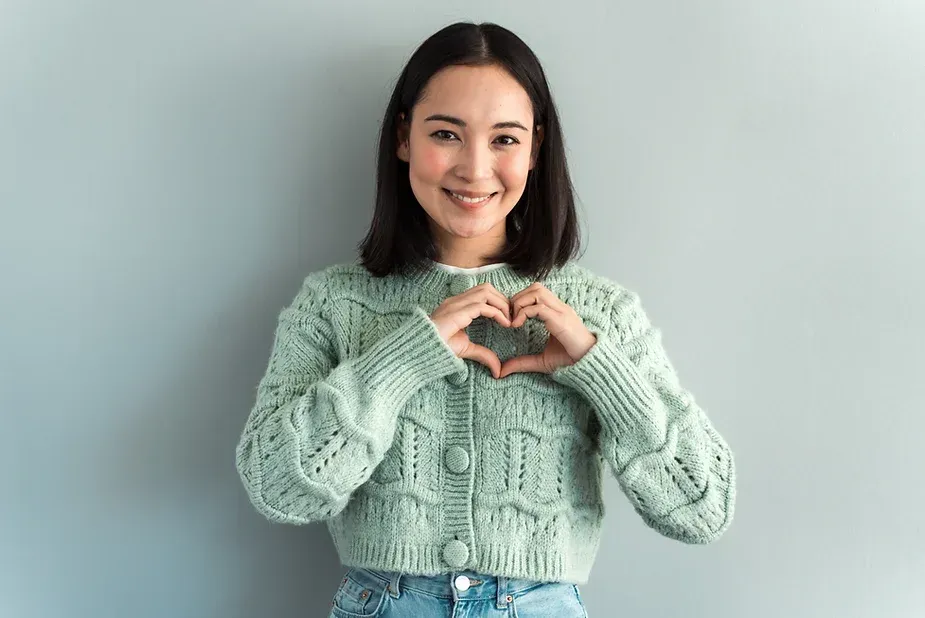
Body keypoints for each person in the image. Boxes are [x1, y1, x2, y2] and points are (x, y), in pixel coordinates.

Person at [235, 21, 736, 618]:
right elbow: (276, 488)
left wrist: (598, 368)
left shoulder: (602, 314)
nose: (474, 169)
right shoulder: (333, 304)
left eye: (504, 139)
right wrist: (400, 363)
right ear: (403, 137)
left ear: (535, 149)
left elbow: (703, 509)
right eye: (446, 134)